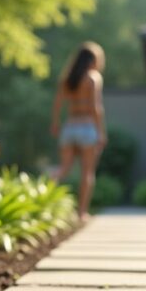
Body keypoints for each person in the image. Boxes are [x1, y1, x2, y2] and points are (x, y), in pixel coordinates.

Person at [51, 41, 107, 221]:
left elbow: (57, 103)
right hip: (87, 127)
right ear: (94, 60)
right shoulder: (93, 78)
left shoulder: (68, 78)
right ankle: (81, 213)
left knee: (63, 169)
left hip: (70, 127)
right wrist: (101, 132)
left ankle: (45, 200)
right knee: (87, 173)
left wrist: (55, 124)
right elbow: (96, 108)